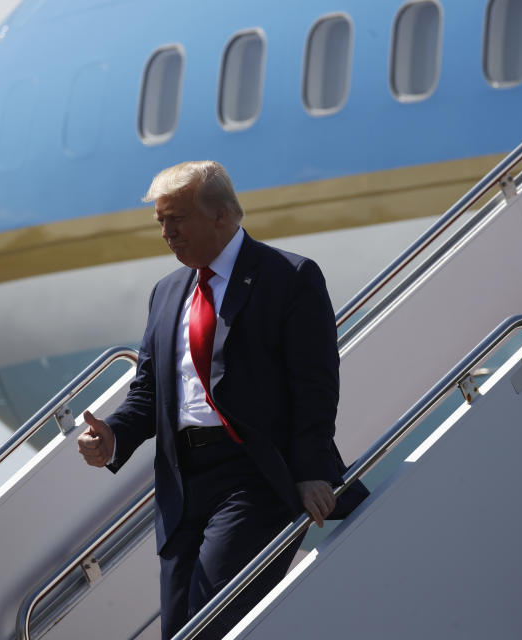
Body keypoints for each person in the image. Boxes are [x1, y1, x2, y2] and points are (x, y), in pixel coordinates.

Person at [77, 160, 365, 639]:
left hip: (252, 476)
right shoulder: (167, 293)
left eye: (177, 219)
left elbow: (315, 385)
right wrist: (113, 434)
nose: (167, 233)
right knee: (179, 631)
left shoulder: (288, 277)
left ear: (223, 216)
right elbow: (149, 392)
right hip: (182, 484)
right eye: (161, 222)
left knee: (209, 626)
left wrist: (313, 468)